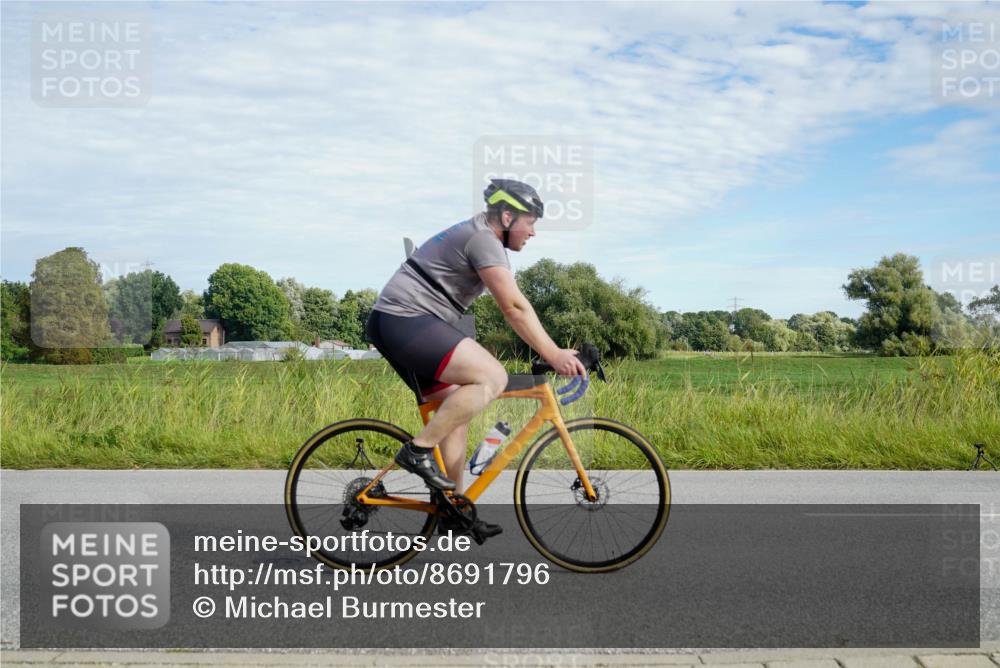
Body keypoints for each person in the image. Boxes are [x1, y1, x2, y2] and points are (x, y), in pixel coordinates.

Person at [365, 178, 586, 538]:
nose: (533, 232)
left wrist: (551, 349)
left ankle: (452, 509)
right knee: (492, 377)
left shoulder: (481, 235)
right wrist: (554, 353)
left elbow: (515, 304)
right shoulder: (484, 239)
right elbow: (514, 307)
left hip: (408, 322)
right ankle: (417, 451)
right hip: (405, 320)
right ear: (508, 215)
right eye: (531, 222)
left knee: (456, 407)